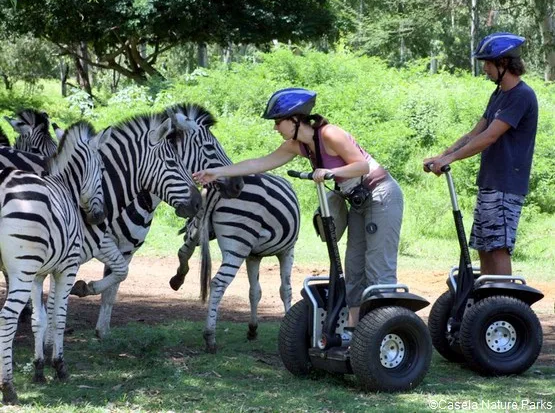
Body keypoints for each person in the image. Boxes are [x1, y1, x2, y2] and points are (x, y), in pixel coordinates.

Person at [193, 87, 404, 328]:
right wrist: (217, 172)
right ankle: (354, 331)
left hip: (381, 194)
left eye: (277, 122)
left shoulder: (330, 134)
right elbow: (259, 163)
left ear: (295, 119)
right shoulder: (299, 146)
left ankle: (385, 330)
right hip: (358, 200)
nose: (275, 127)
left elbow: (361, 167)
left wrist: (330, 172)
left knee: (378, 265)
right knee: (354, 267)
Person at [424, 32, 538, 276]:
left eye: (487, 63)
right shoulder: (499, 95)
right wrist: (442, 155)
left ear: (503, 63)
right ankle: (487, 306)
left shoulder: (521, 96)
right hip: (490, 182)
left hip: (507, 185)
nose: (484, 68)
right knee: (485, 247)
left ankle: (504, 305)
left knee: (498, 248)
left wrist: (450, 159)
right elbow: (475, 133)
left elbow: (489, 137)